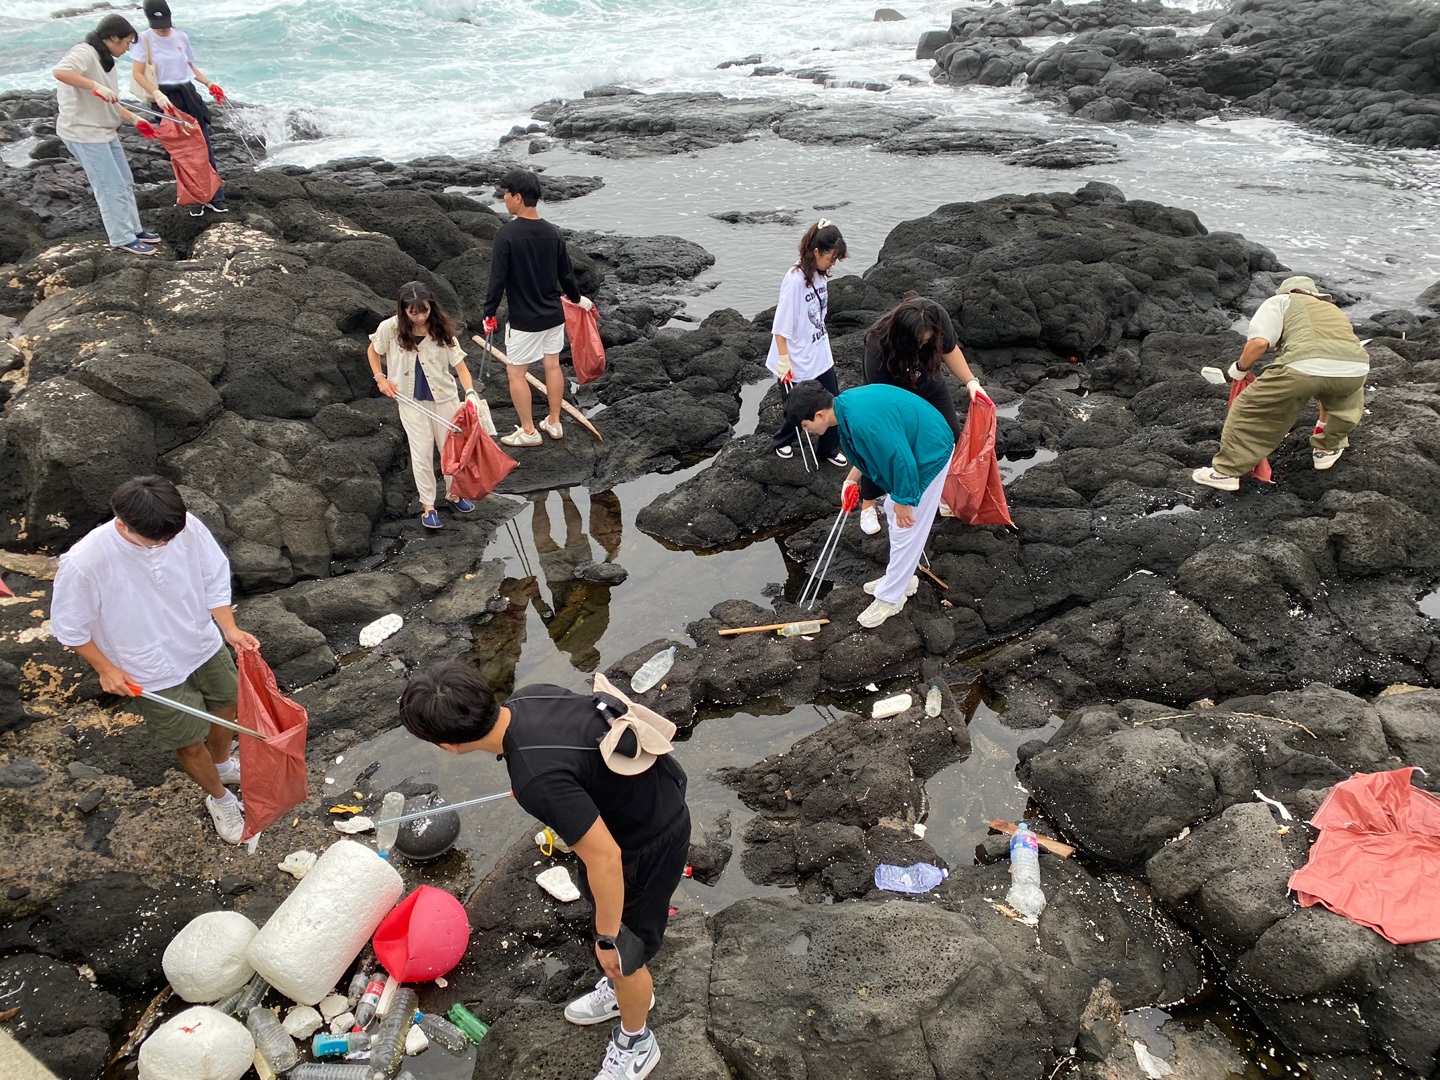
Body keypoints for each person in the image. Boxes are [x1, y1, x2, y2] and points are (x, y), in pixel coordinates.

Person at [399, 662, 689, 1080]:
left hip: (644, 843)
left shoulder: (536, 777)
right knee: (607, 917)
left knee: (625, 954)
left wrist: (607, 940)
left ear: (448, 745)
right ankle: (621, 990)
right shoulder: (530, 696)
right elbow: (574, 746)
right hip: (652, 794)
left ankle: (637, 1040)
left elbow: (605, 858)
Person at [49, 476, 260, 844]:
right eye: (156, 540)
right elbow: (70, 627)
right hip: (147, 662)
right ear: (122, 524)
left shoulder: (182, 527)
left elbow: (213, 574)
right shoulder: (85, 561)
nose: (165, 544)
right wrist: (106, 669)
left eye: (170, 537)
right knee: (189, 739)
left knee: (226, 704)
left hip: (200, 640)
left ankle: (223, 764)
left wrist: (228, 628)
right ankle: (220, 799)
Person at [785, 381, 954, 628]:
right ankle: (902, 579)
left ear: (819, 415)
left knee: (906, 524)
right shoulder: (845, 407)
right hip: (918, 439)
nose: (806, 431)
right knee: (890, 510)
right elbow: (874, 450)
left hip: (929, 451)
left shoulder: (863, 421)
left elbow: (901, 458)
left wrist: (905, 501)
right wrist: (851, 479)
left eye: (805, 425)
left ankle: (891, 598)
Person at [1193, 275, 1370, 491]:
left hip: (1303, 367)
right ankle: (1327, 448)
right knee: (1340, 402)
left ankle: (1226, 472)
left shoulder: (1280, 301)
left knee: (1248, 407)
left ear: (1287, 292)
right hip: (1355, 367)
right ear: (1314, 294)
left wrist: (1240, 368)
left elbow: (1259, 343)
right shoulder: (1333, 310)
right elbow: (1332, 360)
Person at [482, 168, 594, 448]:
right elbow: (566, 276)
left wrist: (488, 312)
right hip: (553, 315)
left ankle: (529, 432)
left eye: (506, 194)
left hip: (524, 319)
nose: (504, 199)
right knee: (552, 366)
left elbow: (497, 280)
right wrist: (577, 298)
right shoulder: (553, 233)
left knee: (516, 373)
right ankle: (554, 422)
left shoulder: (506, 235)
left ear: (518, 197)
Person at [858, 295, 989, 534]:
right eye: (917, 342)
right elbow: (880, 399)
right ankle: (868, 502)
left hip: (928, 384)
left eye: (926, 342)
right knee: (883, 448)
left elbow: (950, 351)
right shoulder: (876, 344)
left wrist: (971, 382)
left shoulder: (937, 317)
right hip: (889, 395)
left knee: (951, 439)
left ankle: (943, 493)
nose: (921, 346)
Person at [369, 281, 485, 529]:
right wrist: (380, 378)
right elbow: (373, 350)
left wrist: (471, 393)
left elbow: (461, 367)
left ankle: (454, 494)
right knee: (420, 452)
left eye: (424, 311)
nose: (420, 317)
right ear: (403, 311)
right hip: (410, 401)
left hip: (445, 399)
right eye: (413, 312)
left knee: (450, 450)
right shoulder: (389, 328)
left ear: (431, 307)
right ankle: (428, 507)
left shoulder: (442, 331)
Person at [51, 14, 163, 257]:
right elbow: (60, 72)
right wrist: (95, 86)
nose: (126, 49)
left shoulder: (105, 59)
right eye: (125, 43)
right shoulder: (85, 51)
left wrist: (134, 118)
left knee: (124, 180)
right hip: (83, 132)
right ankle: (121, 237)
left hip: (104, 130)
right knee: (109, 186)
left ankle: (134, 229)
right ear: (112, 37)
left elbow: (108, 100)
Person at [130, 0, 228, 217]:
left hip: (188, 93)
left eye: (165, 22)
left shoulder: (181, 36)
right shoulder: (143, 40)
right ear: (148, 19)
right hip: (165, 98)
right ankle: (194, 199)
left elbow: (189, 66)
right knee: (183, 152)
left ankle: (215, 197)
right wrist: (156, 94)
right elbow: (137, 74)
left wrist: (209, 83)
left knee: (203, 145)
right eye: (158, 23)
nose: (163, 27)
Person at [768, 220, 849, 468]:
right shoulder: (794, 280)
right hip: (795, 356)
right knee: (800, 408)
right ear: (816, 252)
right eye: (831, 258)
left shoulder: (820, 275)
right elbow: (780, 326)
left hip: (819, 351)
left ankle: (829, 449)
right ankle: (781, 441)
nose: (833, 263)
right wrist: (784, 360)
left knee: (832, 400)